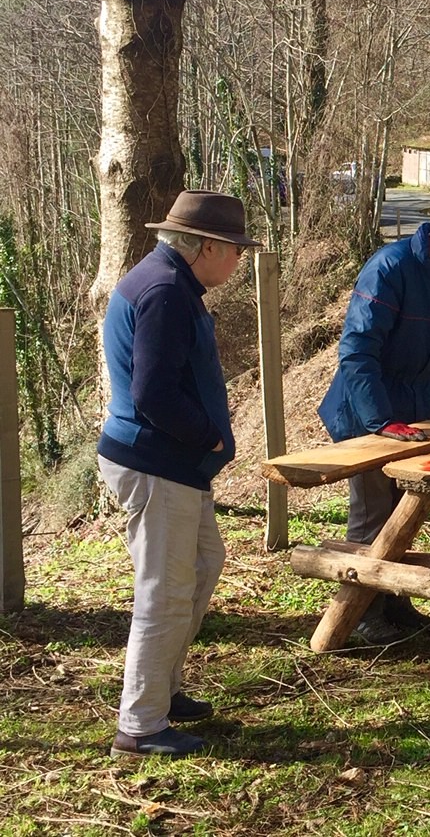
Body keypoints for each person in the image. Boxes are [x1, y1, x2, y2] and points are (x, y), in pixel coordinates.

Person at [98, 190, 262, 758]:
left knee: (201, 564)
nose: (239, 261)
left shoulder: (167, 280)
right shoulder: (166, 291)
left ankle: (163, 691)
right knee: (163, 594)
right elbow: (151, 395)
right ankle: (140, 725)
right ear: (208, 247)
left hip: (173, 467)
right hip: (156, 463)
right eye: (235, 250)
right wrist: (209, 434)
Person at [318, 203, 430, 644]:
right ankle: (358, 614)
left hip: (414, 403)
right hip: (366, 407)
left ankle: (394, 601)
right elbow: (357, 350)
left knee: (402, 512)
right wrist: (381, 421)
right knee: (373, 511)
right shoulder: (389, 268)